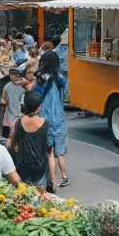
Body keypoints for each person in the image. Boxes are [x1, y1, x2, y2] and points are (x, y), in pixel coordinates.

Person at [35, 50, 69, 188]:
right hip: (60, 118)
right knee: (60, 153)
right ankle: (65, 176)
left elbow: (35, 95)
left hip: (45, 118)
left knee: (49, 153)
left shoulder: (42, 78)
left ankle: (53, 181)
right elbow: (65, 94)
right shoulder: (62, 78)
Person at [7, 91, 49, 192]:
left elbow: (8, 144)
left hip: (22, 167)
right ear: (39, 106)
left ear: (25, 105)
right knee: (40, 196)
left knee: (23, 196)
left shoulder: (18, 122)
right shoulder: (45, 122)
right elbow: (49, 150)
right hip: (39, 166)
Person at [1, 67, 24, 138]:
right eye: (15, 76)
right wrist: (3, 101)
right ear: (10, 77)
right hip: (10, 111)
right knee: (11, 131)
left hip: (18, 112)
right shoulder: (7, 87)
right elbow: (3, 97)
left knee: (15, 131)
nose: (17, 78)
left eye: (18, 76)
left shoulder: (22, 87)